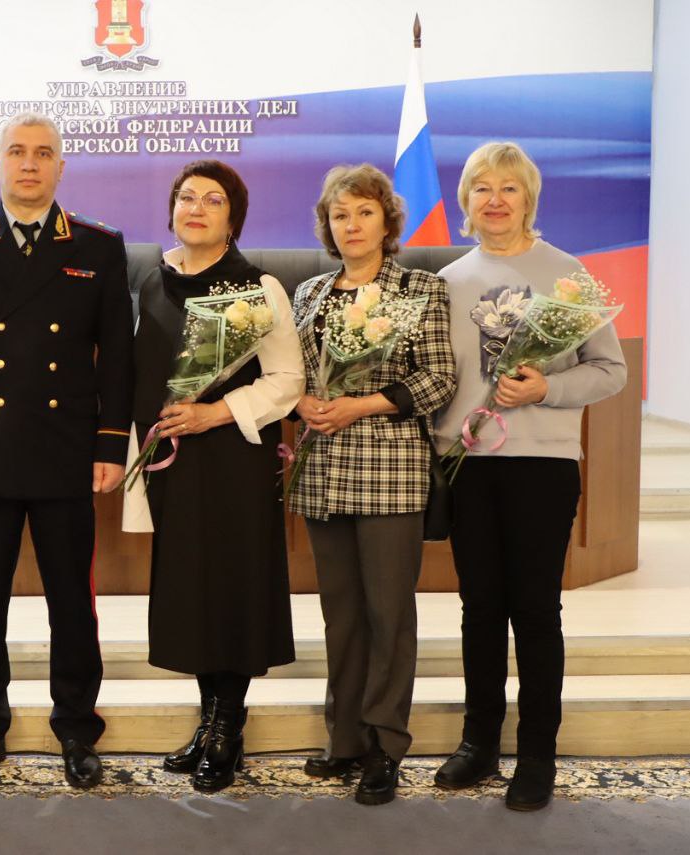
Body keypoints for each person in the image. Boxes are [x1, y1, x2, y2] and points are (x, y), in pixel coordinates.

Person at [0, 111, 134, 790]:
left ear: (61, 166)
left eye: (43, 153)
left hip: (67, 451)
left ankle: (77, 728)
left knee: (72, 601)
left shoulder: (99, 246)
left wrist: (110, 444)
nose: (30, 163)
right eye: (17, 151)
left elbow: (117, 360)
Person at [432, 142, 626, 811]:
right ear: (466, 200)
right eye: (482, 187)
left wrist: (547, 386)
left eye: (509, 188)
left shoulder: (567, 273)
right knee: (480, 609)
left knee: (536, 611)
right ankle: (479, 742)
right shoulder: (448, 280)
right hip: (470, 468)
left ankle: (537, 753)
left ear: (528, 199)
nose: (495, 199)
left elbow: (611, 370)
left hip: (543, 466)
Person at [123, 160, 305, 792]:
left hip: (233, 458)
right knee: (194, 592)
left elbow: (287, 381)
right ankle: (208, 721)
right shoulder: (153, 281)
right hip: (174, 462)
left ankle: (229, 726)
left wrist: (213, 413)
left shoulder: (258, 288)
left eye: (213, 200)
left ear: (234, 219)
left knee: (233, 589)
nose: (196, 208)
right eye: (187, 197)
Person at [290, 164, 456, 805]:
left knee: (389, 613)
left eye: (364, 212)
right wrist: (301, 402)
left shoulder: (421, 289)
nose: (351, 224)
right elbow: (291, 374)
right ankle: (346, 738)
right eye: (340, 215)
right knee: (342, 615)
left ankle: (386, 744)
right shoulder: (309, 293)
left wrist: (360, 405)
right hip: (323, 473)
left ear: (387, 221)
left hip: (390, 472)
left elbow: (437, 379)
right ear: (327, 226)